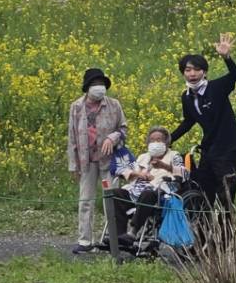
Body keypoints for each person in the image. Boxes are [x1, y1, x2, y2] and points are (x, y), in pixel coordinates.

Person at [170, 33, 236, 206]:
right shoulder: (186, 97)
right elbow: (189, 121)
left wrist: (226, 57)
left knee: (226, 192)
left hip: (228, 148)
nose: (192, 74)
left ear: (204, 72)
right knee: (203, 191)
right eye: (188, 70)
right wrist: (168, 139)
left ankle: (226, 231)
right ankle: (206, 231)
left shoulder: (216, 88)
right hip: (209, 149)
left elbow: (234, 74)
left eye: (196, 70)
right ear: (183, 73)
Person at [66, 67, 127, 254]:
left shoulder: (114, 105)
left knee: (112, 199)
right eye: (94, 84)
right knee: (86, 200)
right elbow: (72, 137)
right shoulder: (76, 107)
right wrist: (73, 165)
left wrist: (112, 137)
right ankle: (85, 241)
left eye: (101, 84)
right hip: (86, 162)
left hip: (109, 161)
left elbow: (123, 129)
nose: (99, 88)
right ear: (87, 87)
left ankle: (113, 239)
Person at [114, 126, 186, 240]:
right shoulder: (144, 157)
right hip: (135, 191)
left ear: (166, 143)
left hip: (157, 193)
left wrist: (164, 166)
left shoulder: (174, 156)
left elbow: (184, 173)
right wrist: (139, 174)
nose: (155, 143)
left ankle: (133, 232)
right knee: (116, 193)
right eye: (152, 140)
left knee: (147, 193)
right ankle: (119, 235)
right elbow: (125, 170)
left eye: (159, 140)